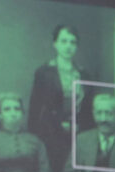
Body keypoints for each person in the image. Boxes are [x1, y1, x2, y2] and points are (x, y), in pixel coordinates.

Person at [25, 24, 85, 154]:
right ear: (55, 44)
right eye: (63, 41)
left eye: (72, 42)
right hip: (50, 132)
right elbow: (35, 108)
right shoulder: (44, 72)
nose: (68, 46)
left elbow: (87, 109)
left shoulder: (83, 74)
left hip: (78, 133)